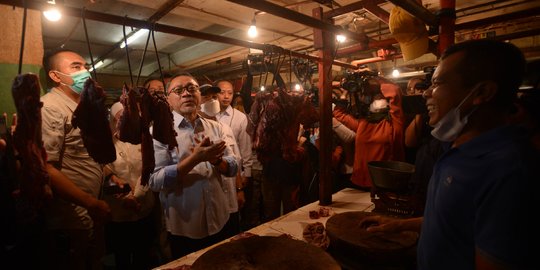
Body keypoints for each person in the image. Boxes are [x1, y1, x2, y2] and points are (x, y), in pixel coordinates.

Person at [361, 40, 539, 269]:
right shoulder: (457, 150)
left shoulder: (509, 172)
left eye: (438, 83)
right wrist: (398, 225)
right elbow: (453, 222)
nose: (426, 93)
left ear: (482, 92)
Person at [148, 72, 238, 259]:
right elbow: (154, 181)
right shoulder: (158, 132)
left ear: (198, 94)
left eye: (192, 88)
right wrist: (195, 159)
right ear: (168, 99)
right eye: (178, 90)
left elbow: (234, 166)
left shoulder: (215, 127)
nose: (186, 94)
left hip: (220, 217)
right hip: (185, 225)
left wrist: (216, 161)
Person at [40, 49, 111, 269]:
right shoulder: (50, 107)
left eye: (85, 66)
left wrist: (110, 174)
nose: (85, 72)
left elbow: (83, 153)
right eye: (76, 67)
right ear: (55, 76)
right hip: (71, 216)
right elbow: (47, 168)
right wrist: (90, 203)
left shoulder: (83, 106)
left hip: (90, 210)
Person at [102, 102, 157, 270]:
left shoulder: (143, 139)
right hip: (118, 212)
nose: (123, 123)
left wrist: (137, 195)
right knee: (122, 257)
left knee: (144, 254)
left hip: (144, 207)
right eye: (120, 119)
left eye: (127, 119)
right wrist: (125, 197)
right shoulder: (105, 144)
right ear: (112, 121)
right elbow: (104, 172)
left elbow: (149, 168)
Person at [333, 75, 405, 190]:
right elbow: (339, 114)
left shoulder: (394, 123)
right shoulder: (364, 123)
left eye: (381, 96)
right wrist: (345, 93)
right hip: (361, 181)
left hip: (385, 183)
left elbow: (394, 90)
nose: (378, 98)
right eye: (375, 97)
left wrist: (373, 77)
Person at [198, 84, 243, 237]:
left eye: (213, 97)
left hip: (230, 195)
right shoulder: (195, 130)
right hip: (211, 201)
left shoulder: (224, 128)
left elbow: (235, 159)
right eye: (206, 97)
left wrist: (239, 189)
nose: (212, 101)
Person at [215, 79, 253, 231]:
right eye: (222, 92)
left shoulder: (240, 117)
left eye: (229, 93)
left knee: (236, 209)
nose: (226, 96)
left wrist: (247, 172)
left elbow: (245, 147)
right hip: (217, 169)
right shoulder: (208, 115)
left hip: (236, 171)